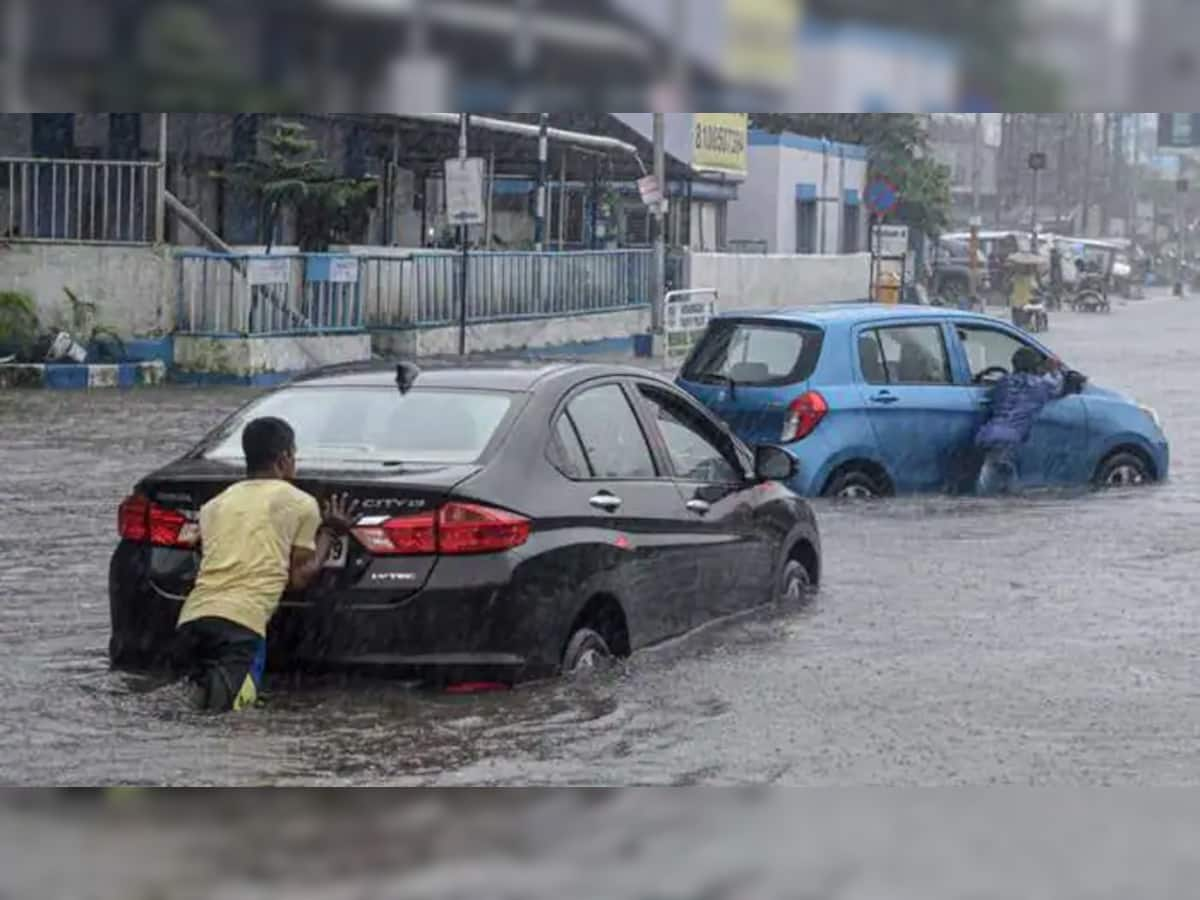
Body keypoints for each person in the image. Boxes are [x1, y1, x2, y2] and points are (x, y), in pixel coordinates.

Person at [173, 417, 357, 712]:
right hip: (241, 628)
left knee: (195, 714)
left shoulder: (215, 505)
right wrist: (331, 532)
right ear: (284, 458)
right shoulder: (300, 503)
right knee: (235, 722)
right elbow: (299, 577)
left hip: (192, 621)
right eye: (294, 456)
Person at [975, 348, 1067, 496]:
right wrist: (1055, 368)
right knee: (1001, 488)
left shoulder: (1004, 382)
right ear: (1035, 367)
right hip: (1010, 440)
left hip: (987, 434)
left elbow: (992, 396)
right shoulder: (1040, 386)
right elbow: (1058, 385)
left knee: (997, 476)